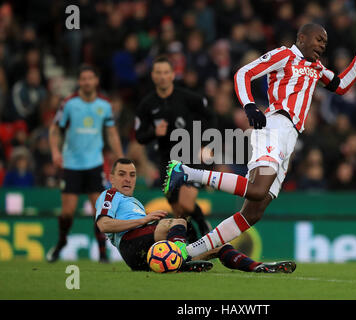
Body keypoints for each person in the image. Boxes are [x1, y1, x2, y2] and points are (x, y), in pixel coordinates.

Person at [164, 23, 356, 258]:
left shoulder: (316, 68)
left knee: (253, 213)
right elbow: (243, 74)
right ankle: (186, 173)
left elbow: (341, 86)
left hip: (289, 138)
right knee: (258, 190)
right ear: (301, 38)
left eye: (325, 43)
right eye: (318, 39)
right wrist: (249, 105)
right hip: (275, 126)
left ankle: (187, 252)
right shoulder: (285, 55)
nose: (322, 45)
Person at [96, 157, 296, 273]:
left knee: (218, 247)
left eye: (132, 175)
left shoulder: (134, 202)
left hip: (150, 256)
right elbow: (104, 225)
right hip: (131, 245)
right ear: (111, 177)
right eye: (122, 174)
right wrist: (146, 219)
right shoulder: (110, 194)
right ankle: (181, 258)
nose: (128, 179)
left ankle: (258, 267)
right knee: (176, 221)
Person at [46, 65, 124, 263]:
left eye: (90, 78)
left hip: (94, 164)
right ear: (79, 82)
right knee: (67, 212)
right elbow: (55, 128)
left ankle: (102, 252)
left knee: (98, 210)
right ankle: (62, 241)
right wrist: (55, 151)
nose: (87, 82)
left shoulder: (104, 105)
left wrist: (120, 157)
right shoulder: (70, 103)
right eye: (83, 79)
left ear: (96, 81)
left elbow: (111, 132)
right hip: (71, 164)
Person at [135, 55, 213, 242]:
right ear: (153, 75)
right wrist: (154, 132)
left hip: (190, 154)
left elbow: (210, 116)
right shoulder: (147, 104)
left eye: (166, 72)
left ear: (172, 75)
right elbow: (140, 137)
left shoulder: (187, 98)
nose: (162, 76)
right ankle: (194, 241)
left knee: (186, 205)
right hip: (166, 160)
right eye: (158, 72)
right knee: (178, 210)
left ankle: (202, 223)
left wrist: (206, 144)